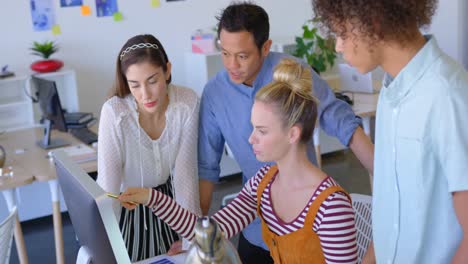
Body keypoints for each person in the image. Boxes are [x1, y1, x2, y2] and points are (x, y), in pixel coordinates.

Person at [119, 58, 358, 263]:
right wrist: (150, 197)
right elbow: (207, 232)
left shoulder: (331, 207)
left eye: (262, 131)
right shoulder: (264, 183)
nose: (251, 138)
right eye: (253, 128)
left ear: (292, 134)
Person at [198, 2, 374, 262]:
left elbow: (337, 118)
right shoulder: (214, 93)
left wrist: (381, 173)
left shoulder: (292, 73)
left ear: (265, 48)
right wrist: (199, 241)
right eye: (224, 53)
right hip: (256, 223)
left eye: (242, 56)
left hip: (307, 221)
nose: (231, 64)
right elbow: (207, 167)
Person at [311, 0, 468, 263]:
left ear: (372, 21)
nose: (338, 46)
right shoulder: (390, 92)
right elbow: (392, 211)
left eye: (342, 33)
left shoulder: (448, 95)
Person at [96, 34, 201, 261]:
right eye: (135, 85)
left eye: (152, 81)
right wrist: (104, 249)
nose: (145, 94)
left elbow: (185, 177)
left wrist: (191, 239)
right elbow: (108, 190)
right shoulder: (114, 113)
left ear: (167, 70)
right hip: (127, 208)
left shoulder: (187, 102)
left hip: (169, 207)